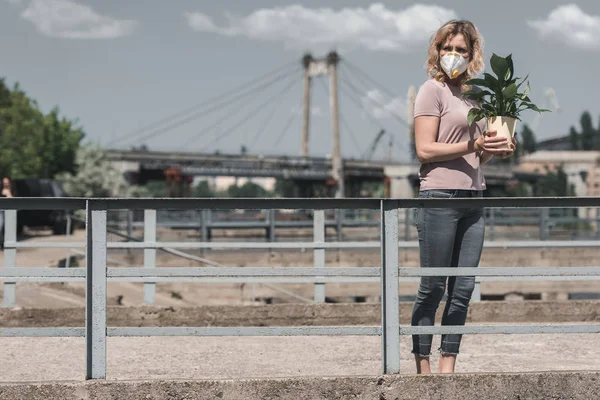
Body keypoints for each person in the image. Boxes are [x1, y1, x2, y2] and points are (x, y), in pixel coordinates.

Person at [410, 20, 517, 374]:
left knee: (464, 286)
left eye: (461, 50)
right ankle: (422, 365)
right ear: (436, 51)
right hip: (438, 195)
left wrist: (493, 148)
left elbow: (477, 155)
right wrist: (472, 143)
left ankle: (448, 367)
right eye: (447, 48)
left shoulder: (475, 96)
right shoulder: (431, 91)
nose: (453, 55)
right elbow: (425, 150)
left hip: (474, 197)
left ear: (472, 55)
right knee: (433, 285)